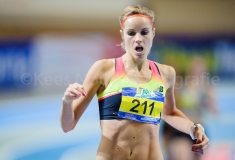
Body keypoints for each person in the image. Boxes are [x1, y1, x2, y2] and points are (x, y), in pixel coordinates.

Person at [60, 5, 210, 160]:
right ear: (123, 35)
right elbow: (67, 125)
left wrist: (193, 128)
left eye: (144, 32)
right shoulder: (103, 69)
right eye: (131, 33)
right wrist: (66, 102)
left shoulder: (166, 73)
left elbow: (170, 113)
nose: (138, 38)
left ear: (153, 33)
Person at [162, 55, 217, 160]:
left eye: (201, 70)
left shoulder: (205, 89)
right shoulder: (180, 85)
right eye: (195, 69)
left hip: (198, 133)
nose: (197, 72)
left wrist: (209, 96)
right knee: (182, 154)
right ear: (189, 69)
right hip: (179, 132)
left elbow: (215, 112)